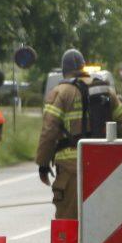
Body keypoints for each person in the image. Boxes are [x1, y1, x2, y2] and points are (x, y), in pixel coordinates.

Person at [36, 48, 87, 220]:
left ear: (64, 71)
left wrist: (43, 164)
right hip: (105, 167)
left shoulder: (61, 92)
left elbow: (49, 130)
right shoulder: (104, 90)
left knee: (68, 222)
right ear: (83, 66)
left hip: (71, 168)